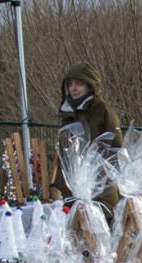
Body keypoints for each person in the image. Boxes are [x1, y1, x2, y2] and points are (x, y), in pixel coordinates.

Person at [53, 62, 123, 205]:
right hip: (72, 193)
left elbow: (115, 150)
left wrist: (96, 182)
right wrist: (61, 183)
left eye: (79, 84)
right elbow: (64, 155)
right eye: (70, 84)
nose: (73, 88)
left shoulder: (103, 111)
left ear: (90, 85)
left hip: (100, 194)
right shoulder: (67, 113)